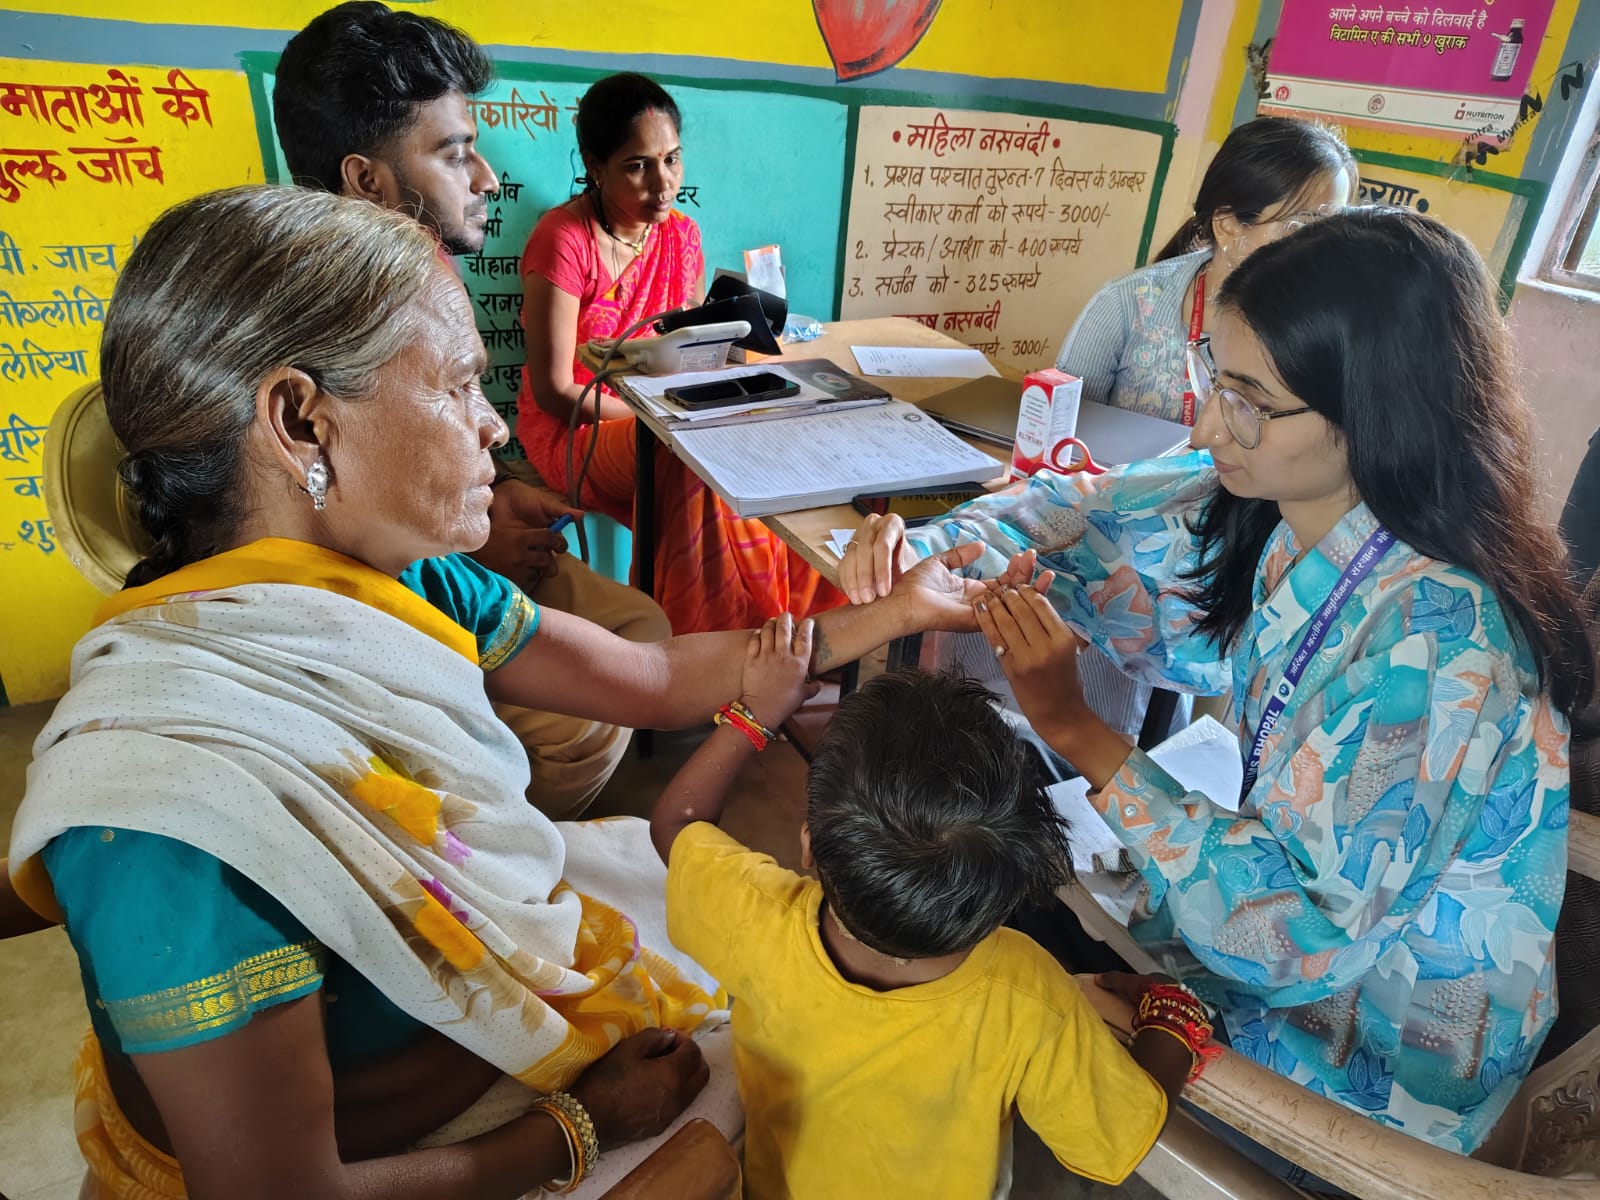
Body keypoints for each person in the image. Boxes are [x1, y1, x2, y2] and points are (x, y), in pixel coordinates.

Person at [5, 185, 998, 1199]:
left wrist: (897, 610)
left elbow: (654, 680)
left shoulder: (402, 574)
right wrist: (576, 1129)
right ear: (301, 420)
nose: (492, 430)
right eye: (456, 388)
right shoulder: (173, 818)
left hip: (484, 1056)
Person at [840, 208, 1594, 1160]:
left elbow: (1301, 942)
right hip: (1260, 945)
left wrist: (1082, 733)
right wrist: (925, 551)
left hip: (1364, 1057)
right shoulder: (1275, 499)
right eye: (1214, 376)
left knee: (994, 985)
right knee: (991, 926)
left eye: (1247, 399)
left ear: (1378, 411)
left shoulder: (1442, 651)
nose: (1205, 423)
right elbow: (1073, 511)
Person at [274, 0, 669, 818]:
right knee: (586, 714)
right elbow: (328, 540)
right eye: (457, 154)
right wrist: (475, 543)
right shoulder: (326, 317)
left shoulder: (427, 281)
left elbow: (455, 443)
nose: (488, 178)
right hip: (406, 598)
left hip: (458, 553)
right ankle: (487, 833)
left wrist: (494, 497)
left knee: (640, 628)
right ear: (366, 179)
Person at [651, 634, 1198, 1199]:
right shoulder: (1027, 994)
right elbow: (1110, 1140)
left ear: (810, 845)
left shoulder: (755, 914)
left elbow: (678, 824)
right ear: (1007, 888)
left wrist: (758, 711)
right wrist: (1175, 1013)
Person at [517, 72, 844, 634]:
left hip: (667, 414)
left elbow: (695, 352)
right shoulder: (563, 239)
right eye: (638, 165)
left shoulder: (680, 237)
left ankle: (789, 623)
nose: (662, 183)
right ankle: (703, 638)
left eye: (672, 159)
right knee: (694, 460)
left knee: (780, 428)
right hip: (576, 426)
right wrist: (662, 420)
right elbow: (554, 391)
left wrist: (732, 363)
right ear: (595, 165)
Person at [1056, 116, 1356, 426]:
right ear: (1228, 226)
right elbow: (1057, 433)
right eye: (1302, 227)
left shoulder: (1335, 329)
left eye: (1331, 229)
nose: (1321, 249)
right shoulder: (1126, 304)